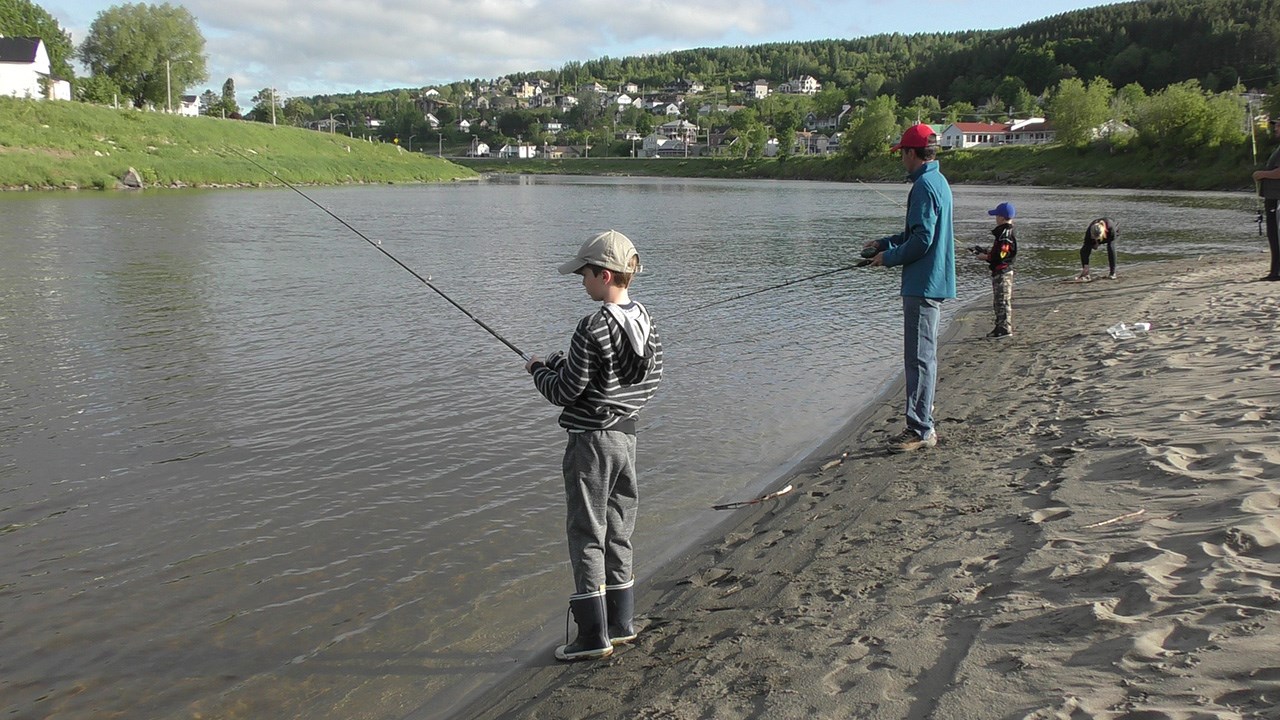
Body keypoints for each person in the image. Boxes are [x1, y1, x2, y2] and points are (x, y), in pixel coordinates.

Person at [525, 229, 663, 661]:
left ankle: (591, 636)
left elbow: (566, 391)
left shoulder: (592, 325)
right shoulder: (644, 318)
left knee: (586, 531)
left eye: (584, 273)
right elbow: (648, 379)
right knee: (619, 527)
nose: (580, 280)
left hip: (590, 442)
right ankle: (621, 624)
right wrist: (568, 368)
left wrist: (537, 370)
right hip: (627, 437)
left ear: (604, 275)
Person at [865, 124, 956, 453]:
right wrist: (885, 244)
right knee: (924, 356)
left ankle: (920, 429)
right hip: (932, 281)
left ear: (911, 153)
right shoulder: (938, 181)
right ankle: (923, 420)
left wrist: (888, 258)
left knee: (918, 358)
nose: (900, 158)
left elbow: (921, 241)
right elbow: (917, 233)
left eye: (902, 152)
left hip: (923, 283)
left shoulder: (923, 187)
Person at [970, 201, 1017, 338]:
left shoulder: (1005, 234)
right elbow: (1000, 252)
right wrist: (984, 252)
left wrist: (986, 257)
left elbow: (1002, 254)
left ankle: (1004, 329)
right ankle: (999, 327)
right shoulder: (1004, 232)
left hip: (1003, 272)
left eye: (996, 215)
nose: (995, 218)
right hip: (1002, 270)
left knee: (1002, 301)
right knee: (999, 301)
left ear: (1002, 218)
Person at [1252, 117, 1280, 281]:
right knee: (1273, 234)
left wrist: (1261, 174)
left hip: (1277, 198)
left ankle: (1276, 272)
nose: (1275, 128)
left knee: (1275, 234)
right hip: (1273, 197)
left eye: (1278, 125)